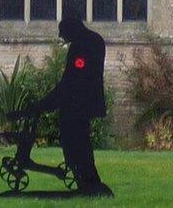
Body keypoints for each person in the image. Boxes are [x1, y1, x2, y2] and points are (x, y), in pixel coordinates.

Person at [11, 17, 112, 197]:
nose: (60, 36)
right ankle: (86, 180)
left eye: (62, 31)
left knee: (75, 142)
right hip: (83, 104)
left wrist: (42, 105)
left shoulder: (82, 45)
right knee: (79, 143)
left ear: (71, 29)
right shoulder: (94, 41)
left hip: (77, 106)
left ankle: (88, 181)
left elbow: (71, 81)